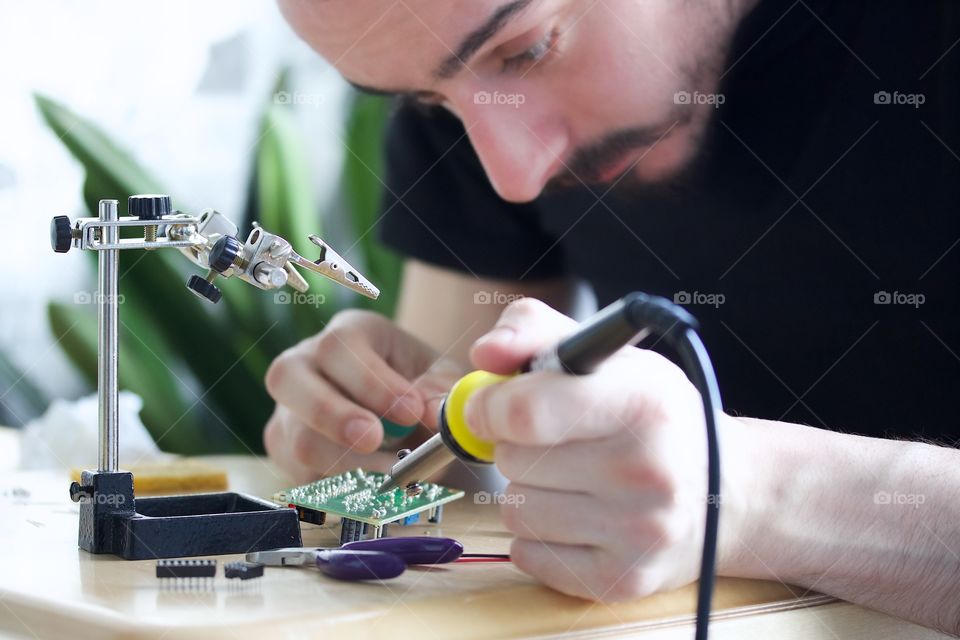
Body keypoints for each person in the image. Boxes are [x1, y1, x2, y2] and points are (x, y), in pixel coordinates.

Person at [264, 0, 960, 633]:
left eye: (528, 51)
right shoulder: (459, 61)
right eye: (429, 101)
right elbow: (450, 449)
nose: (512, 174)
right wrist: (384, 423)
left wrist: (753, 498)